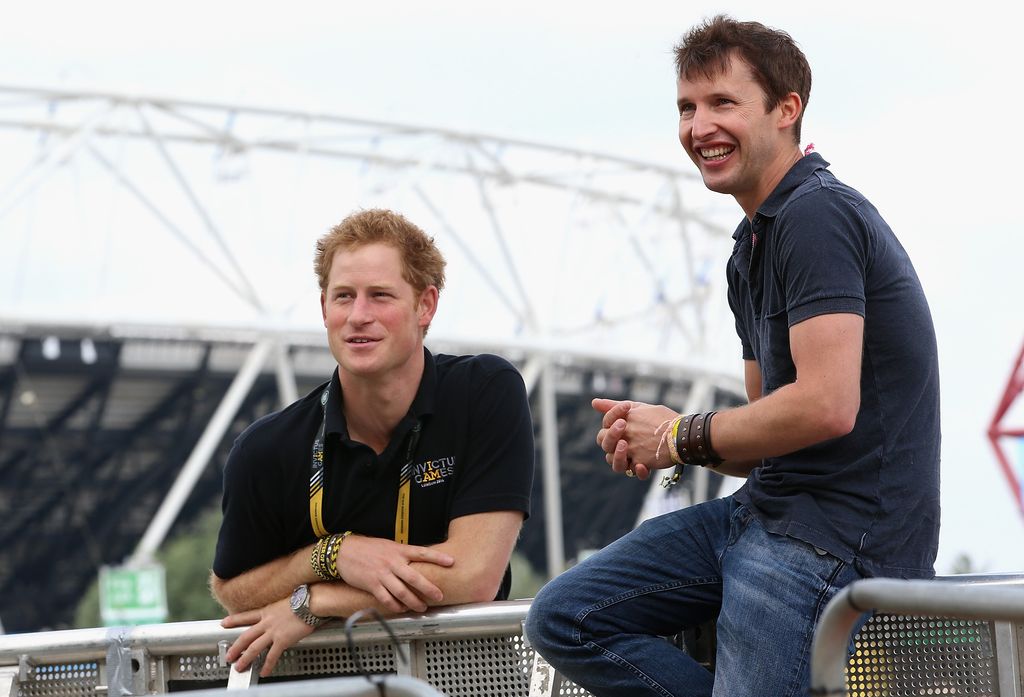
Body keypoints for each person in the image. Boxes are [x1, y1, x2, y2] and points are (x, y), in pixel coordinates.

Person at [525, 15, 940, 697]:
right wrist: (659, 434)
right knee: (564, 616)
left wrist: (679, 435)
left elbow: (827, 405)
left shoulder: (816, 215)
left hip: (832, 541)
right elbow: (763, 437)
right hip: (762, 515)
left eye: (723, 102)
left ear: (786, 109)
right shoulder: (749, 249)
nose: (699, 127)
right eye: (687, 108)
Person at [211, 208, 534, 677]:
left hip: (467, 680)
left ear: (425, 305)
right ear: (324, 308)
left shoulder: (484, 392)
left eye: (380, 295)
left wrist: (317, 600)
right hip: (324, 686)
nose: (358, 316)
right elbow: (233, 590)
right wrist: (332, 555)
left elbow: (471, 577)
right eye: (343, 296)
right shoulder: (266, 448)